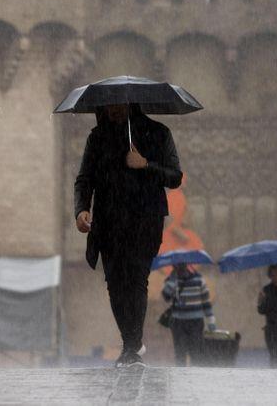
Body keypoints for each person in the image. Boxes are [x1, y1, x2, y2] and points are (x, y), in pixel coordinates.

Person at [74, 103, 183, 368]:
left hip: (144, 221)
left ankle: (131, 345)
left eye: (118, 104)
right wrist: (81, 209)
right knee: (115, 283)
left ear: (131, 103)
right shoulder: (98, 138)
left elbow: (175, 177)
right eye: (108, 105)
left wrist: (145, 165)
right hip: (109, 222)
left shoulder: (157, 133)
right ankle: (131, 341)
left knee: (136, 280)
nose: (113, 110)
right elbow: (84, 178)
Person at [161, 264, 217, 366]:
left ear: (187, 264)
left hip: (195, 322)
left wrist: (211, 320)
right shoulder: (172, 279)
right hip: (178, 322)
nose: (179, 266)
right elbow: (166, 296)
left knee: (196, 353)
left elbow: (206, 302)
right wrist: (172, 281)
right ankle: (180, 377)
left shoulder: (198, 279)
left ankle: (195, 378)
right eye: (177, 264)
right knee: (180, 353)